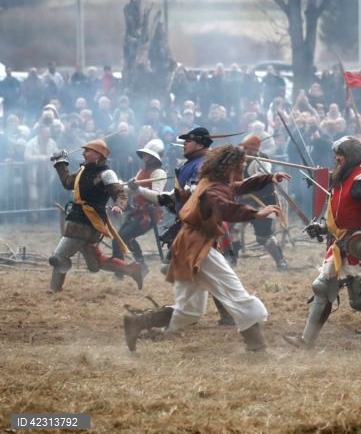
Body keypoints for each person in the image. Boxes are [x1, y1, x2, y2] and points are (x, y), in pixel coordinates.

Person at [122, 144, 289, 353]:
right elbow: (223, 205)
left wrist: (268, 178)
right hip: (198, 247)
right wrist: (255, 213)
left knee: (189, 311)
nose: (244, 166)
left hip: (188, 245)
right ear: (231, 165)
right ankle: (258, 349)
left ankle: (137, 322)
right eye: (241, 163)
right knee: (235, 293)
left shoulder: (212, 181)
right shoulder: (213, 190)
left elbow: (237, 187)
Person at [283, 136, 361, 349]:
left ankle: (307, 342)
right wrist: (322, 227)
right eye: (336, 154)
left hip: (358, 245)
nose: (336, 158)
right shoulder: (343, 179)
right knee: (350, 295)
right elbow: (341, 213)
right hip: (343, 242)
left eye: (340, 154)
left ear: (351, 156)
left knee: (341, 292)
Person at [47, 139, 143, 292]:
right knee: (95, 264)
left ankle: (54, 289)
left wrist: (119, 206)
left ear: (98, 155)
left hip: (87, 222)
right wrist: (61, 162)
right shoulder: (83, 171)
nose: (84, 153)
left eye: (88, 151)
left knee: (58, 257)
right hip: (79, 219)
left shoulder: (106, 173)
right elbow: (67, 183)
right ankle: (131, 269)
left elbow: (120, 193)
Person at [230, 135, 290, 270]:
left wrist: (246, 182)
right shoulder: (239, 160)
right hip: (243, 200)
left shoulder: (262, 161)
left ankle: (281, 261)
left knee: (263, 237)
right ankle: (232, 260)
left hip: (262, 201)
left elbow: (261, 177)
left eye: (248, 149)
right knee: (231, 230)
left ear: (254, 149)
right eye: (244, 149)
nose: (245, 151)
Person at [113, 139, 166, 276]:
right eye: (144, 154)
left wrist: (139, 188)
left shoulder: (159, 173)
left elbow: (157, 197)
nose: (144, 157)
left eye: (147, 155)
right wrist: (116, 186)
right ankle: (139, 267)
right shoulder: (141, 172)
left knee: (121, 238)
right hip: (137, 212)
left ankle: (122, 271)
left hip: (149, 214)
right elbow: (130, 190)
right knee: (121, 239)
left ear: (154, 157)